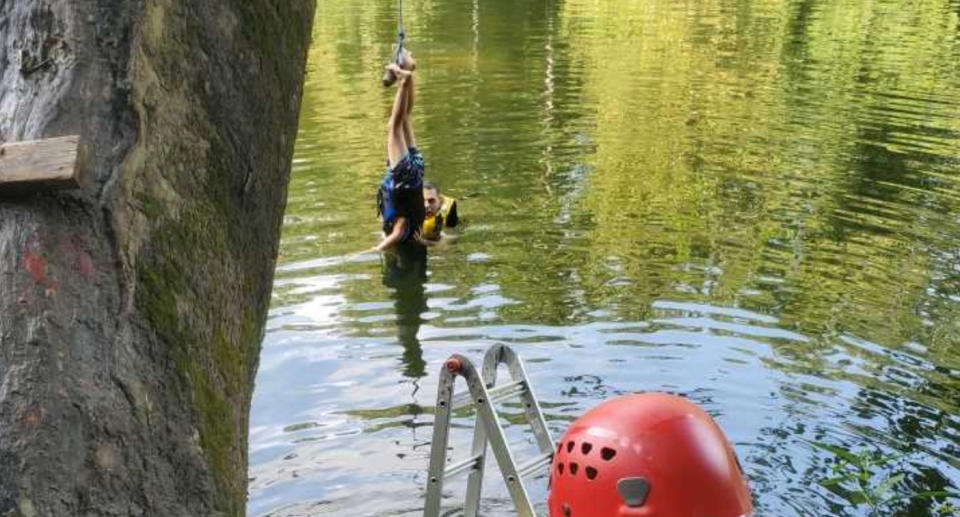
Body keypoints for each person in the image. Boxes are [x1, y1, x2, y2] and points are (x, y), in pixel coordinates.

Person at [374, 49, 424, 252]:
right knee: (393, 127)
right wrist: (376, 250)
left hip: (417, 173)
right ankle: (404, 81)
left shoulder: (415, 225)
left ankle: (409, 71)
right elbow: (396, 234)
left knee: (405, 119)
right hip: (405, 177)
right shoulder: (403, 229)